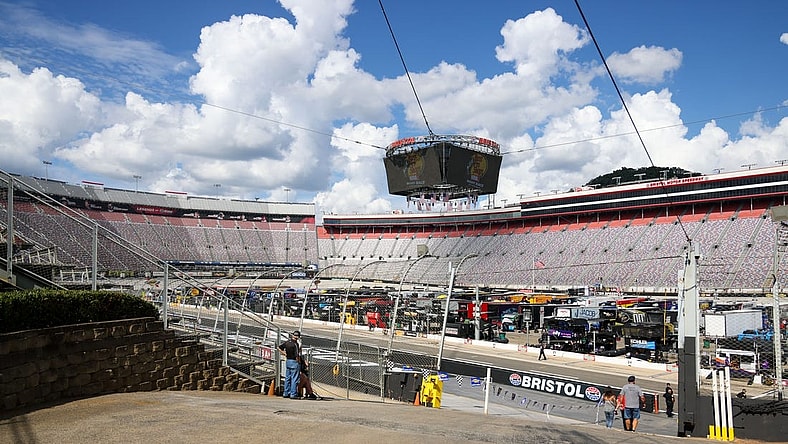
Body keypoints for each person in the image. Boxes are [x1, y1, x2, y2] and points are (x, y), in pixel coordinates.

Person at [278, 331, 301, 399]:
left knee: (287, 378)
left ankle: (286, 393)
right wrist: (299, 362)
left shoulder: (287, 342)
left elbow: (279, 347)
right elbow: (297, 355)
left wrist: (284, 353)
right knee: (294, 378)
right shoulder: (295, 344)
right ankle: (293, 394)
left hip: (288, 361)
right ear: (298, 337)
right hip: (294, 361)